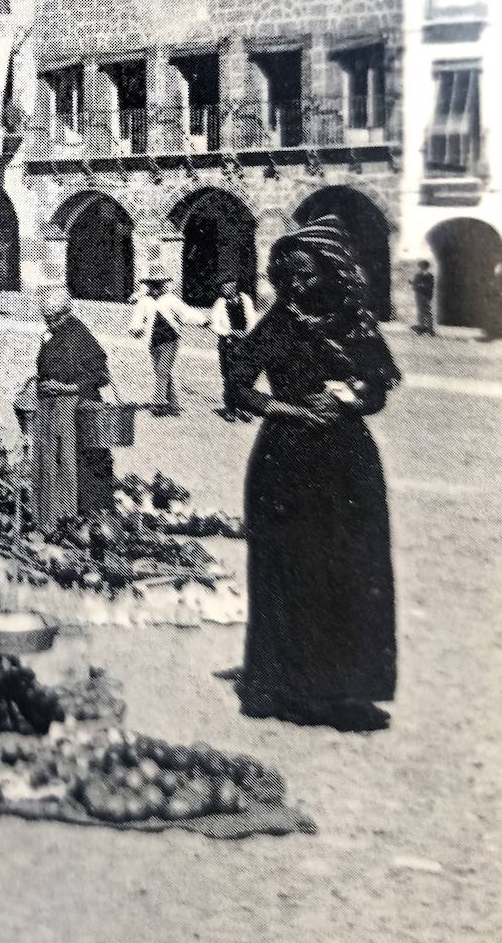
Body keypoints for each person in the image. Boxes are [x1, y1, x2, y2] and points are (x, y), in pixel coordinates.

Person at [228, 215, 401, 732]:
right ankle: (282, 685)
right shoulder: (277, 324)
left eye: (308, 275)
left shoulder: (356, 326)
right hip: (285, 462)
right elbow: (238, 385)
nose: (298, 286)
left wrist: (345, 397)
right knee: (289, 566)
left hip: (347, 464)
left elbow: (378, 386)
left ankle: (342, 688)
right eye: (290, 276)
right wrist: (289, 410)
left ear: (332, 272)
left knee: (349, 567)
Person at [32, 288, 112, 532]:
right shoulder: (53, 334)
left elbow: (101, 375)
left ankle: (88, 517)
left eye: (54, 318)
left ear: (67, 313)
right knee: (55, 461)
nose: (51, 323)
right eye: (47, 319)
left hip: (79, 410)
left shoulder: (79, 335)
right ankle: (57, 515)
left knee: (83, 463)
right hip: (53, 410)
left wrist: (66, 387)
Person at [129, 268, 206, 415]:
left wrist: (203, 320)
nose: (155, 288)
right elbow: (137, 319)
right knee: (162, 372)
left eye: (158, 285)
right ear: (148, 285)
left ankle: (159, 404)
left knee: (162, 370)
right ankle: (173, 405)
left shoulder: (170, 299)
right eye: (152, 285)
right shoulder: (144, 301)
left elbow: (186, 313)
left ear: (164, 285)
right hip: (153, 341)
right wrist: (136, 328)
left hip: (171, 340)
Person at [209, 276, 258, 420]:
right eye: (222, 287)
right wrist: (229, 332)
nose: (224, 289)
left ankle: (245, 408)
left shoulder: (246, 300)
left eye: (227, 286)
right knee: (229, 377)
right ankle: (230, 408)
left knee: (246, 376)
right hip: (228, 344)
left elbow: (252, 320)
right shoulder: (220, 303)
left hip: (245, 344)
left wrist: (248, 335)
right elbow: (214, 324)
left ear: (234, 286)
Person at [410, 259, 436, 336]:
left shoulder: (421, 276)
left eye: (421, 266)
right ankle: (424, 328)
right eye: (421, 266)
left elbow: (428, 287)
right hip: (422, 296)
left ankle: (427, 329)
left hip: (423, 296)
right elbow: (415, 286)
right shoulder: (428, 276)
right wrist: (417, 286)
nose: (421, 268)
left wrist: (418, 286)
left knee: (424, 312)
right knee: (423, 312)